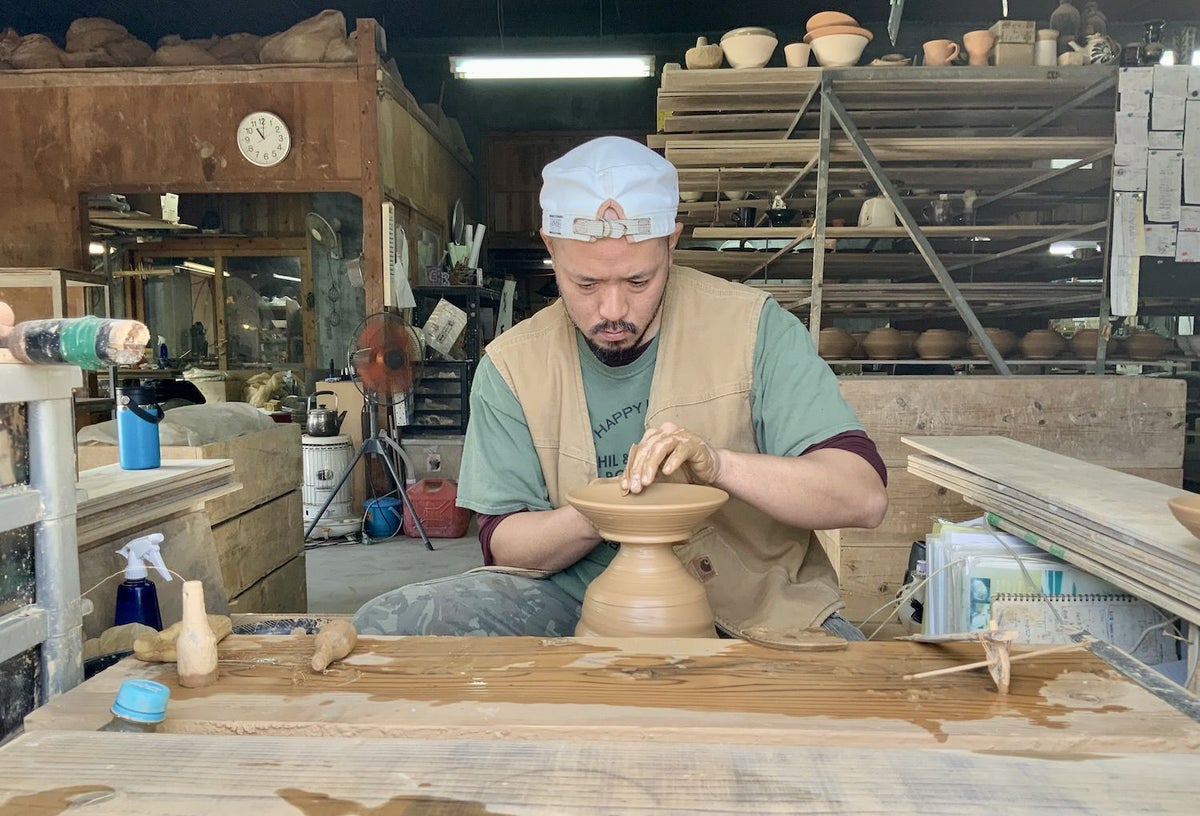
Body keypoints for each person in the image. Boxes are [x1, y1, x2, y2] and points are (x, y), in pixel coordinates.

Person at [353, 136, 888, 641]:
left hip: (752, 606)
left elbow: (862, 497)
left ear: (671, 243)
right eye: (585, 283)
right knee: (384, 627)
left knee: (859, 691)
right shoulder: (511, 367)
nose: (612, 311)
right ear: (551, 247)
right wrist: (604, 512)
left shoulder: (755, 330)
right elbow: (505, 543)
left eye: (638, 281)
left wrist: (719, 466)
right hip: (575, 600)